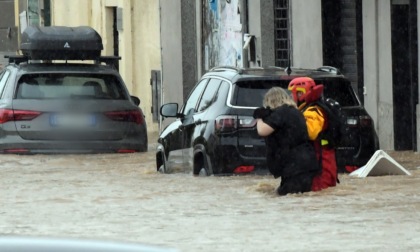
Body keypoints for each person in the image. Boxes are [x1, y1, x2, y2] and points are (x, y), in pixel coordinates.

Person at [253, 87, 320, 196]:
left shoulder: (281, 112)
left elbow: (262, 131)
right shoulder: (295, 112)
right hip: (306, 163)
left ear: (271, 101)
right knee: (297, 197)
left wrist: (259, 117)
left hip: (295, 167)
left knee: (287, 197)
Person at [288, 77, 338, 191]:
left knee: (318, 197)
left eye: (292, 94)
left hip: (322, 166)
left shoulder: (314, 111)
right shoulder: (309, 109)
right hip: (319, 164)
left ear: (301, 93)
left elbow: (311, 133)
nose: (291, 97)